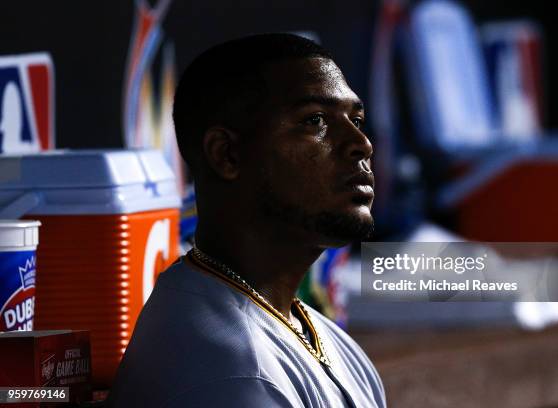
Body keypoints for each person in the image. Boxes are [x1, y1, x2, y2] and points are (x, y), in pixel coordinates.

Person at [107, 33, 385, 408]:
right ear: (227, 155)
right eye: (315, 120)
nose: (361, 144)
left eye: (356, 119)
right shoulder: (226, 371)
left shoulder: (324, 339)